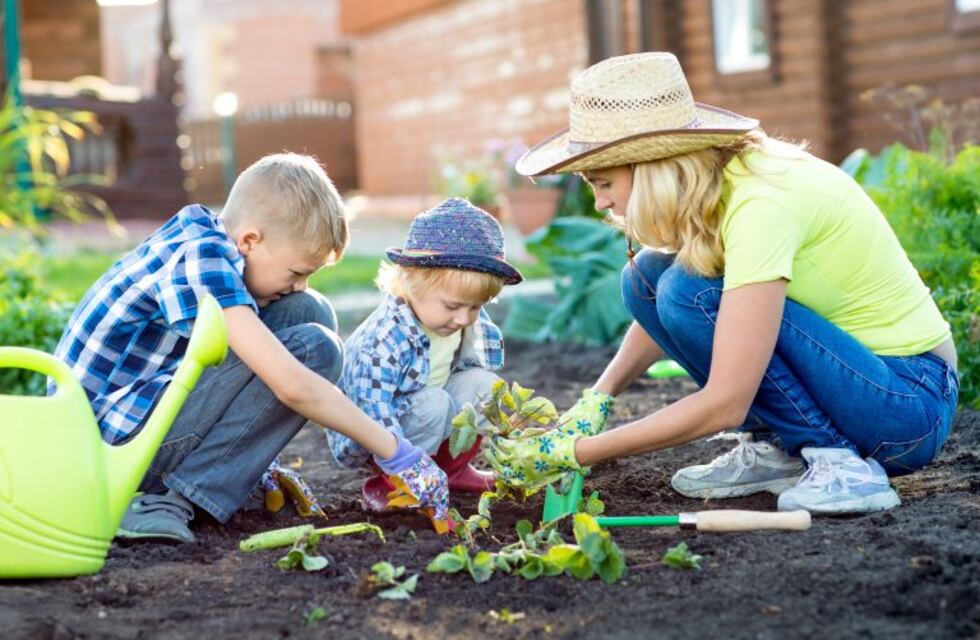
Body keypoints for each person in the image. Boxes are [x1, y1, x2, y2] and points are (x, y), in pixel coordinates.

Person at [488, 52, 959, 515]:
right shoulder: (722, 179)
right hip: (866, 385)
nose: (599, 203)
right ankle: (780, 449)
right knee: (647, 279)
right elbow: (660, 306)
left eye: (604, 183)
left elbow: (725, 404)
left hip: (906, 405)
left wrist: (579, 452)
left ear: (653, 169)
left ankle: (840, 465)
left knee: (688, 293)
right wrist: (599, 397)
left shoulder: (760, 204)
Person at [51, 153, 449, 543]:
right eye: (296, 272)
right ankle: (169, 499)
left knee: (305, 311)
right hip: (109, 454)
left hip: (139, 419)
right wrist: (396, 453)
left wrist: (255, 460)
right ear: (251, 241)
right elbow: (293, 385)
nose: (300, 283)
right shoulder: (199, 260)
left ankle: (231, 476)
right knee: (313, 351)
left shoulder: (212, 240)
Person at [328, 198, 523, 512]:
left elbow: (479, 385)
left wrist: (516, 425)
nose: (464, 318)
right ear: (411, 284)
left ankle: (452, 471)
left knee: (484, 384)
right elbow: (372, 412)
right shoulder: (383, 339)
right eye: (453, 306)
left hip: (428, 411)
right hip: (381, 433)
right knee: (434, 403)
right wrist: (399, 461)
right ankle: (396, 484)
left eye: (475, 306)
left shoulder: (460, 319)